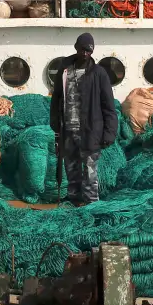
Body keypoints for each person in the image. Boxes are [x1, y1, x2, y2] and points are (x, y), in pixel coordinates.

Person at [49, 33, 118, 206]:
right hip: (68, 130)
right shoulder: (64, 70)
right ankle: (73, 200)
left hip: (90, 131)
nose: (86, 53)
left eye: (89, 51)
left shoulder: (99, 74)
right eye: (83, 49)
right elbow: (56, 97)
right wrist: (55, 123)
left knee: (89, 172)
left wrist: (109, 132)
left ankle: (91, 204)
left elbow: (108, 106)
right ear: (76, 47)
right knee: (71, 169)